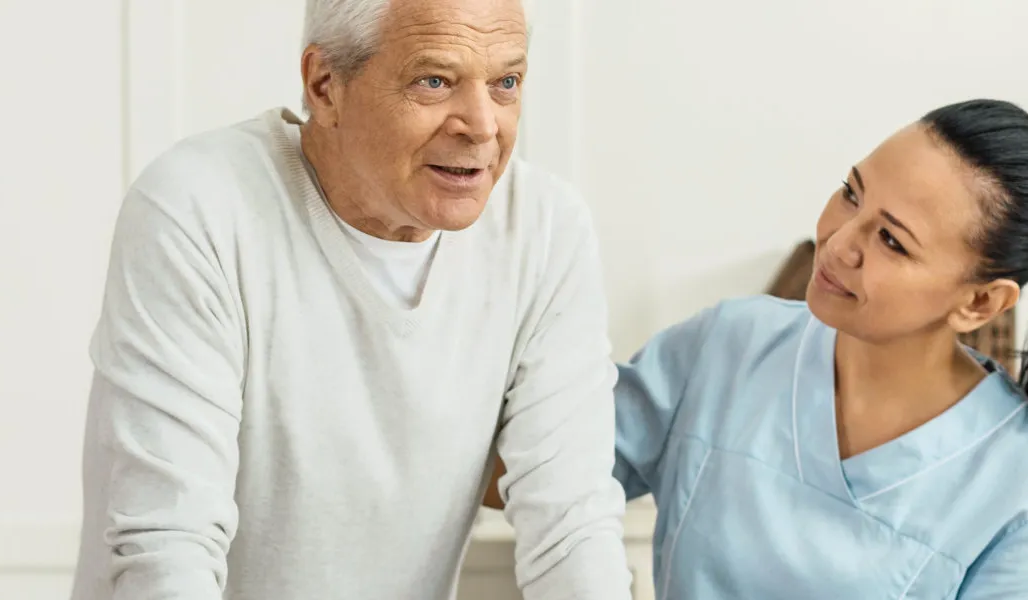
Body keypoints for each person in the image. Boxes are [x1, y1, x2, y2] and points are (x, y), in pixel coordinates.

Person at [68, 0, 636, 598]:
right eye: (434, 81)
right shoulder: (198, 208)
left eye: (506, 83)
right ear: (325, 85)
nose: (483, 125)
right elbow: (167, 549)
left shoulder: (545, 230)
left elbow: (572, 526)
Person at [485, 98, 1028, 599]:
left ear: (979, 303)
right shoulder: (729, 347)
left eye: (892, 240)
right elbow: (539, 473)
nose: (839, 242)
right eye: (851, 193)